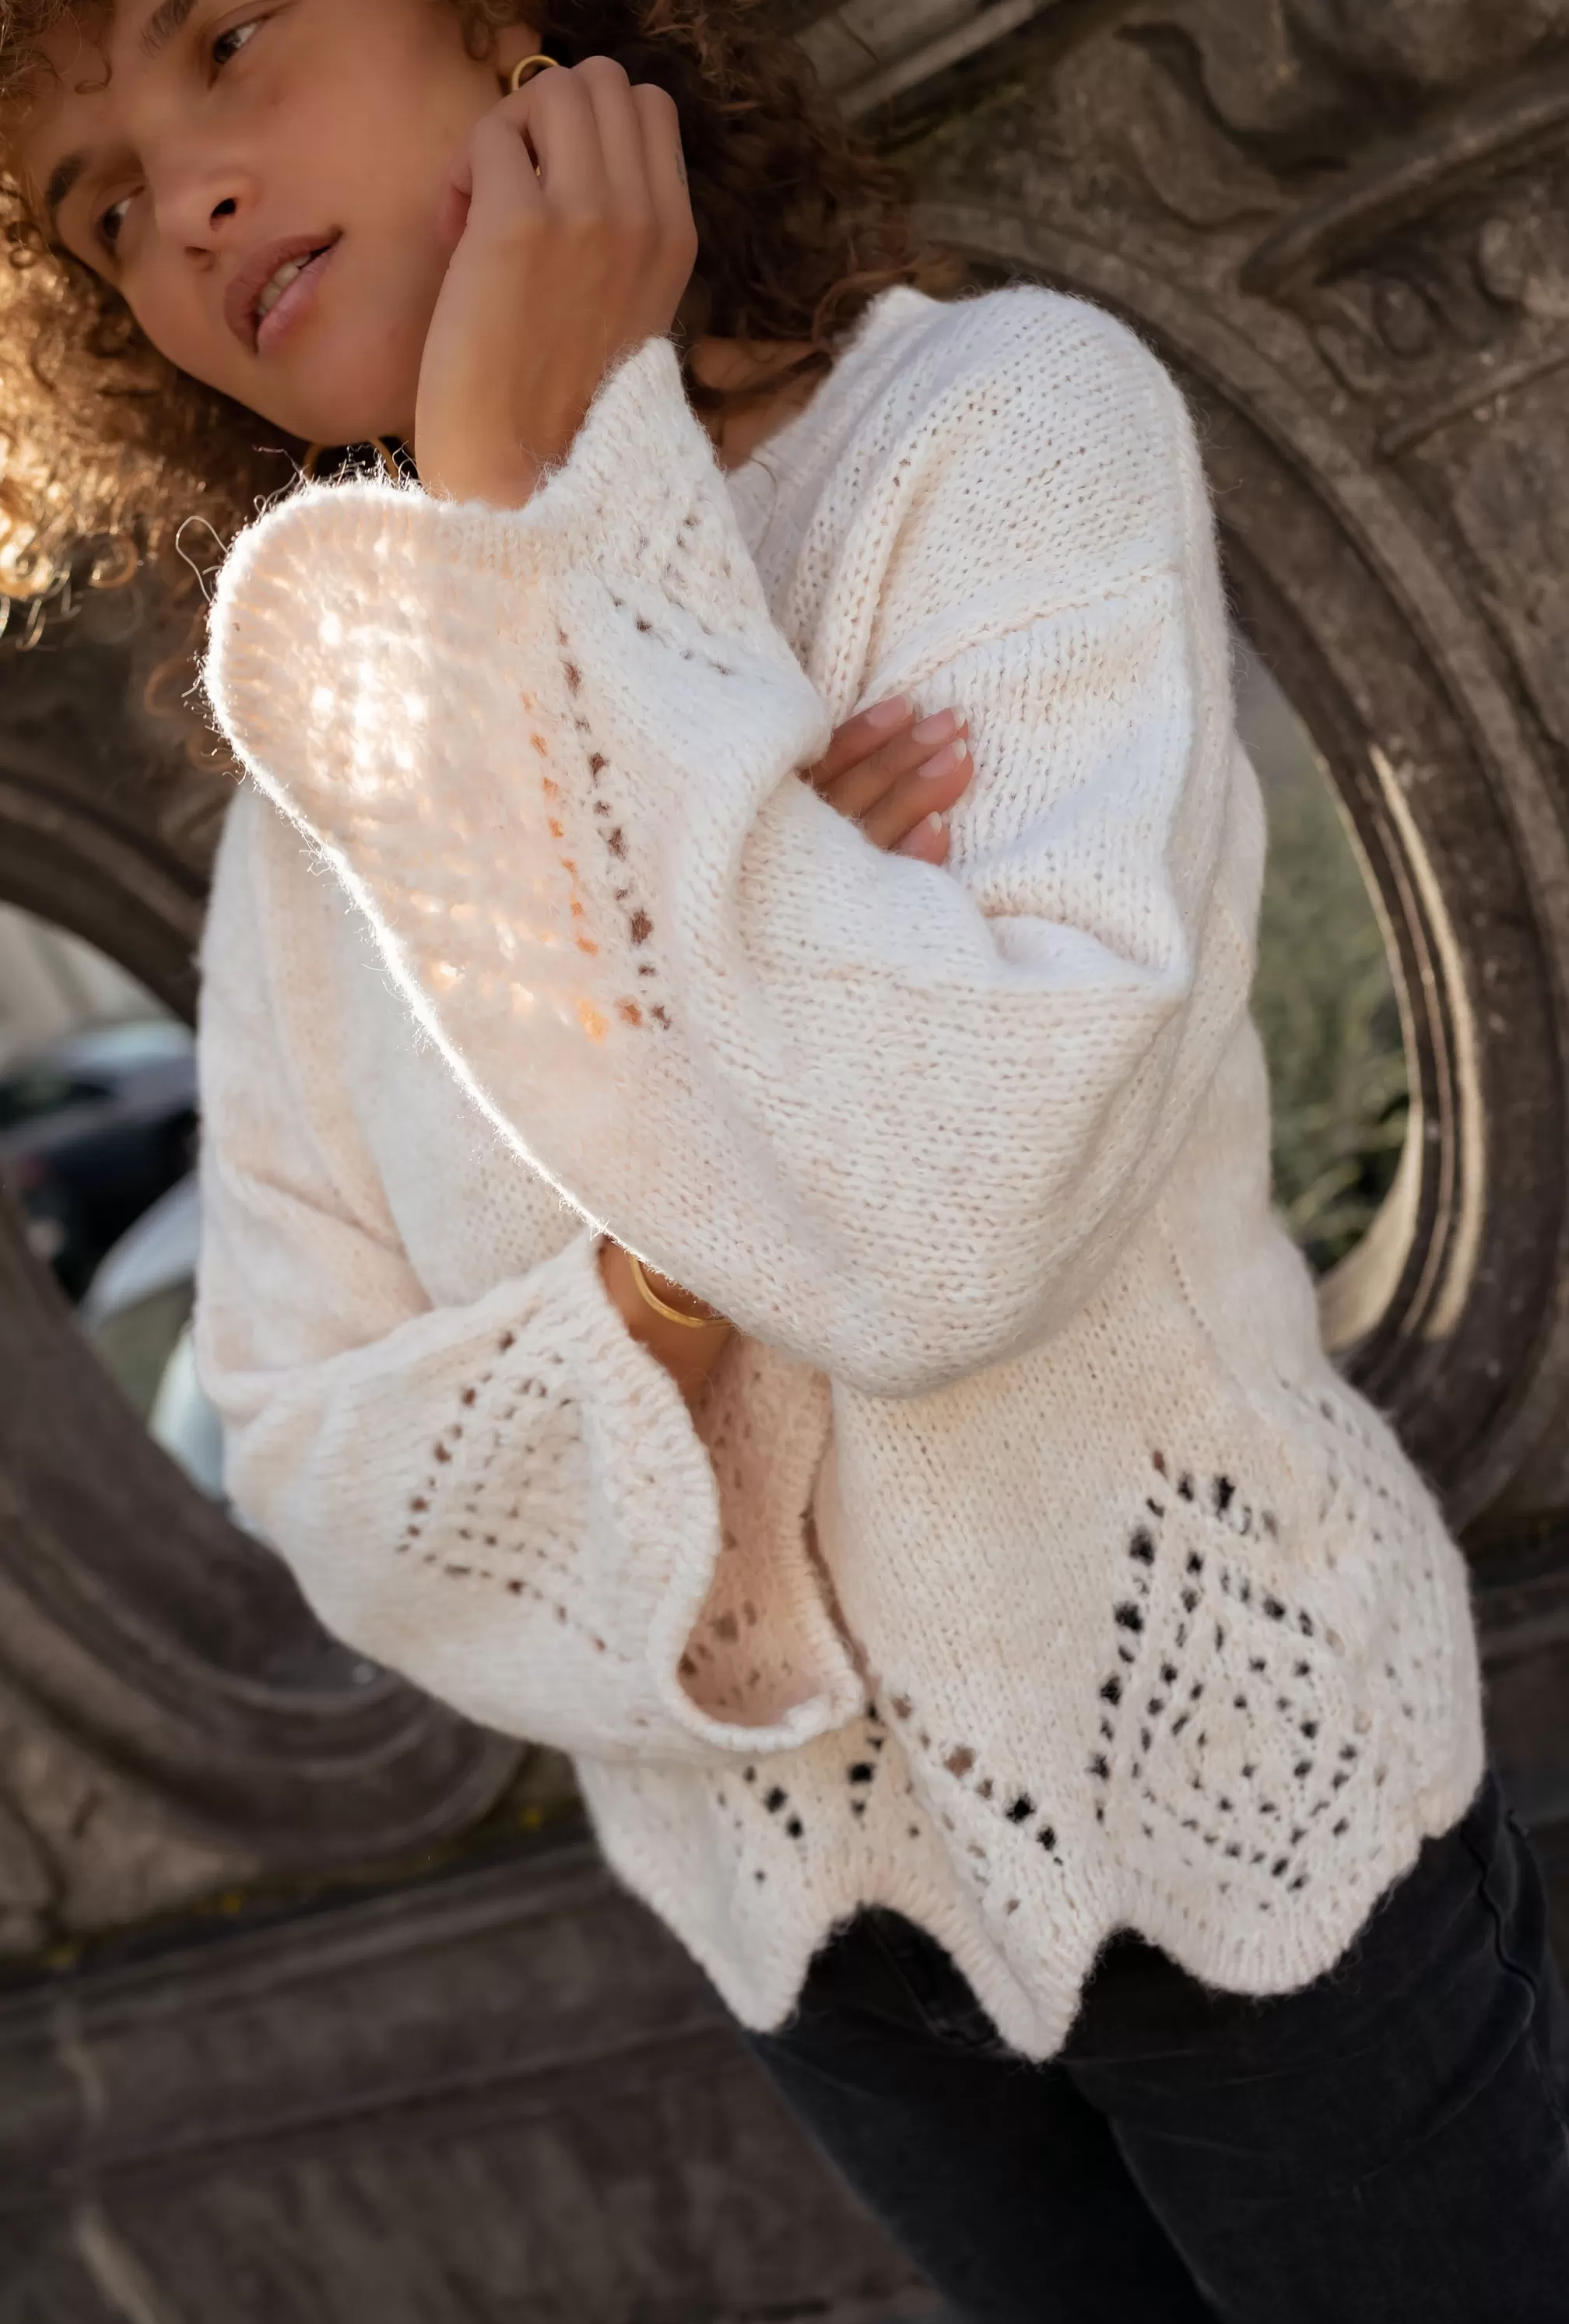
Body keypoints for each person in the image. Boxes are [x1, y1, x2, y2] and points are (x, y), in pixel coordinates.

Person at [4, 2, 1566, 2316]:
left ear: (502, 27)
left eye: (228, 38)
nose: (189, 200)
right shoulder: (320, 830)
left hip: (1247, 1813)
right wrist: (725, 998)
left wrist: (545, 547)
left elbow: (953, 1219)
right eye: (104, 211)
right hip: (811, 1940)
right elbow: (329, 1476)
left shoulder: (996, 432)